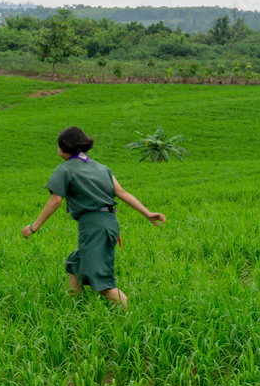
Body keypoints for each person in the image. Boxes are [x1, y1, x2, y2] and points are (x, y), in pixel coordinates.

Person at [21, 126, 165, 309]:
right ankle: (75, 309)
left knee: (102, 284)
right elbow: (121, 192)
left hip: (93, 227)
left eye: (58, 145)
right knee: (75, 263)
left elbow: (56, 200)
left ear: (64, 146)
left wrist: (34, 227)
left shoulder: (65, 169)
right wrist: (147, 213)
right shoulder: (101, 167)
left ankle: (135, 315)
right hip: (108, 224)